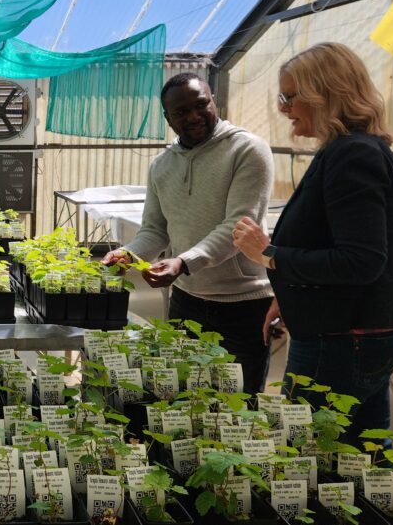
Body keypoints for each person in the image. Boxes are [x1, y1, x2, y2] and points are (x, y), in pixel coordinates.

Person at [233, 42, 393, 444]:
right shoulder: (349, 150)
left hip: (345, 337)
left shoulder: (353, 156)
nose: (283, 108)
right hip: (355, 330)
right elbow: (336, 243)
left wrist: (270, 254)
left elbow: (361, 261)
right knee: (363, 451)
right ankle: (387, 505)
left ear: (326, 94)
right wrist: (290, 294)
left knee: (306, 452)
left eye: (290, 96)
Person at [103, 73, 275, 395]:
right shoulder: (161, 165)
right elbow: (155, 230)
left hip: (243, 304)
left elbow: (239, 225)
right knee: (185, 398)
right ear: (168, 119)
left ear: (214, 101)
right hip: (187, 301)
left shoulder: (247, 150)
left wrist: (182, 262)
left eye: (201, 105)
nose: (194, 116)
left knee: (239, 402)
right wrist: (130, 254)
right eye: (181, 112)